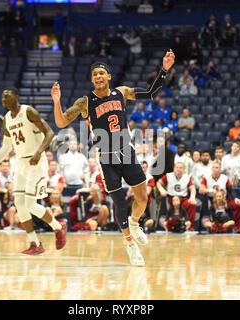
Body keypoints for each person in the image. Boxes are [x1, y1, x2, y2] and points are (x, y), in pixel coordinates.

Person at [51, 50, 175, 266]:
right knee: (119, 202)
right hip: (106, 157)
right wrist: (57, 101)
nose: (98, 77)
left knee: (143, 197)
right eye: (94, 74)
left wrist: (164, 69)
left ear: (109, 76)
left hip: (126, 151)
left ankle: (135, 224)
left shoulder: (121, 92)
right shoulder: (85, 102)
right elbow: (61, 122)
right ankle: (130, 244)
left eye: (101, 73)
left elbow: (151, 93)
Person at [0, 87, 67, 255]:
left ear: (16, 97)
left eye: (6, 96)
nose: (3, 99)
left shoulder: (28, 111)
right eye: (2, 96)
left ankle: (58, 228)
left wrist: (38, 152)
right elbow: (7, 146)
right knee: (19, 204)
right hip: (21, 163)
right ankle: (35, 243)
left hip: (36, 162)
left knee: (31, 204)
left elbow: (50, 133)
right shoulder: (7, 119)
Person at [156, 162, 197, 230]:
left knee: (192, 204)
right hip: (171, 199)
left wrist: (192, 197)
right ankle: (165, 226)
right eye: (177, 167)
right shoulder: (168, 175)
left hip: (182, 199)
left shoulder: (187, 177)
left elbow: (192, 188)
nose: (178, 169)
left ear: (183, 169)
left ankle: (190, 226)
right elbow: (158, 183)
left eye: (180, 168)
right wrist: (161, 190)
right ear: (174, 168)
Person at [0, 159, 19, 230]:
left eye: (7, 166)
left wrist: (12, 191)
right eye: (3, 166)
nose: (5, 167)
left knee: (17, 215)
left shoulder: (14, 174)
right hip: (2, 197)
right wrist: (6, 190)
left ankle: (16, 226)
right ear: (0, 167)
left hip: (14, 196)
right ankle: (9, 225)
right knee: (11, 209)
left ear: (10, 167)